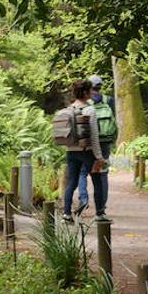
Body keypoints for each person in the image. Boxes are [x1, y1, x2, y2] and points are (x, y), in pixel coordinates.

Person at [58, 79, 107, 221]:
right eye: (90, 90)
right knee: (97, 181)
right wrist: (99, 156)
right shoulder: (90, 110)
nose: (92, 93)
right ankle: (99, 213)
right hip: (88, 152)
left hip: (71, 152)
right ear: (86, 92)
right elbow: (94, 136)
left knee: (71, 182)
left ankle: (66, 214)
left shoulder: (69, 110)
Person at [75, 75, 119, 215]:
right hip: (105, 140)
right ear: (100, 86)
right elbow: (113, 120)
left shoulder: (85, 101)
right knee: (102, 173)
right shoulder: (108, 100)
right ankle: (101, 207)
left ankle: (83, 199)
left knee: (82, 171)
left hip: (88, 141)